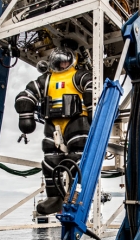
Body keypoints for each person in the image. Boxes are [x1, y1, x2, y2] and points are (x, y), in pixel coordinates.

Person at [14, 45, 93, 215]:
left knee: (77, 158)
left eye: (65, 61)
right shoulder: (47, 79)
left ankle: (75, 194)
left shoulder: (78, 76)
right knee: (50, 161)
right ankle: (54, 197)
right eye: (59, 61)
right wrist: (25, 108)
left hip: (77, 121)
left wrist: (93, 108)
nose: (62, 64)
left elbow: (92, 86)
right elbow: (28, 93)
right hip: (52, 124)